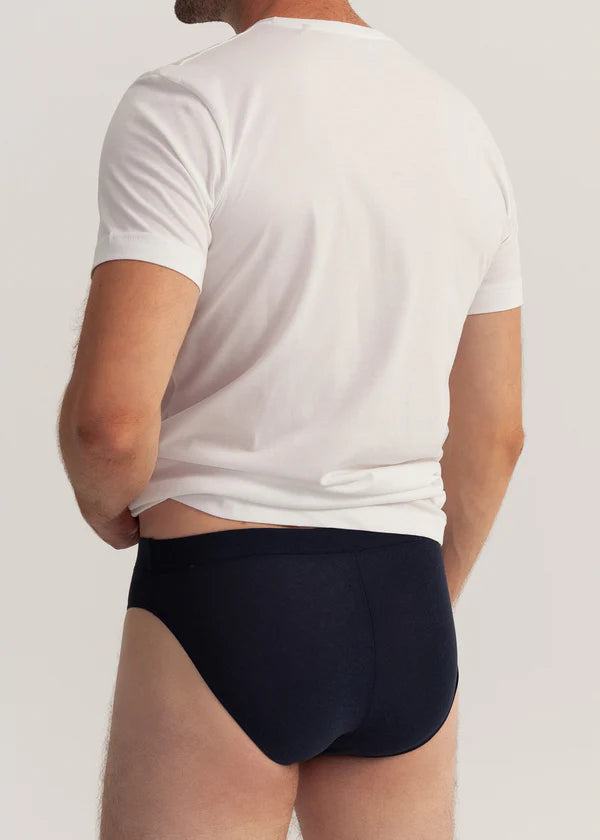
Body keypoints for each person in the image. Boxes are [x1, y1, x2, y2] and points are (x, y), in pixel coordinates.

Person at [57, 1, 525, 837]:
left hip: (229, 593)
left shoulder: (189, 107)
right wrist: (415, 603)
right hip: (406, 603)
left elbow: (111, 425)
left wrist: (105, 505)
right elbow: (497, 436)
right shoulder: (462, 128)